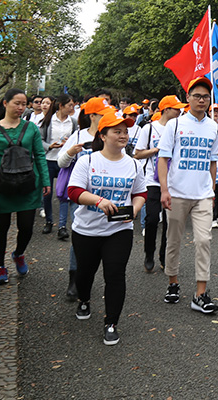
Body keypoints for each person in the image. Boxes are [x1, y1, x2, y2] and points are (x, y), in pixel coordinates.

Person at [67, 110, 146, 345]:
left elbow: (140, 193)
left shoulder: (133, 164)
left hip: (119, 230)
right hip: (87, 230)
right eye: (117, 131)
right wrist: (98, 201)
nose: (123, 136)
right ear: (103, 135)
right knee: (85, 273)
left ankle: (111, 323)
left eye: (125, 132)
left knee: (115, 274)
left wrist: (134, 210)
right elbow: (74, 191)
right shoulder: (88, 161)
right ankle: (84, 300)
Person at [157, 77, 218, 314]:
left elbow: (213, 162)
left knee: (204, 241)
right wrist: (164, 189)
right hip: (177, 194)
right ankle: (173, 283)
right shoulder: (175, 125)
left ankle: (200, 294)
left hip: (203, 195)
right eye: (197, 96)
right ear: (188, 97)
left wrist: (212, 191)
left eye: (205, 96)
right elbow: (163, 159)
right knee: (173, 240)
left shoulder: (215, 127)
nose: (202, 100)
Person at [0, 88, 50, 284]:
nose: (21, 107)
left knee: (26, 227)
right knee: (1, 227)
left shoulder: (31, 128)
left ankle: (18, 253)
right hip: (1, 184)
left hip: (28, 182)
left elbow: (40, 155)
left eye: (23, 104)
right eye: (16, 103)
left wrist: (45, 181)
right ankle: (0, 267)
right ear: (5, 103)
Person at [57, 97, 114, 298]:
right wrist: (70, 152)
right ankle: (75, 278)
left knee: (110, 238)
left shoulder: (110, 135)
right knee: (80, 237)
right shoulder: (78, 136)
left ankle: (108, 280)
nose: (107, 117)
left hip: (109, 195)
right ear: (92, 116)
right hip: (81, 196)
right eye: (103, 114)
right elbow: (61, 163)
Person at [133, 95, 186, 271]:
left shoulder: (180, 129)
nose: (179, 112)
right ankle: (149, 253)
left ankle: (164, 256)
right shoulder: (149, 128)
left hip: (173, 181)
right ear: (166, 109)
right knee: (152, 219)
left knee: (170, 223)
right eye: (176, 109)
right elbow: (137, 154)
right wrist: (158, 150)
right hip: (152, 180)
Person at [39, 93, 77, 234]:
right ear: (61, 106)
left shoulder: (73, 122)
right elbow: (40, 140)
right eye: (70, 105)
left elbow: (76, 139)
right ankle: (49, 221)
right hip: (49, 160)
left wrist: (69, 144)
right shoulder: (48, 121)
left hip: (65, 162)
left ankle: (62, 226)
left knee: (64, 194)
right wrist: (49, 146)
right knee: (47, 192)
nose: (72, 108)